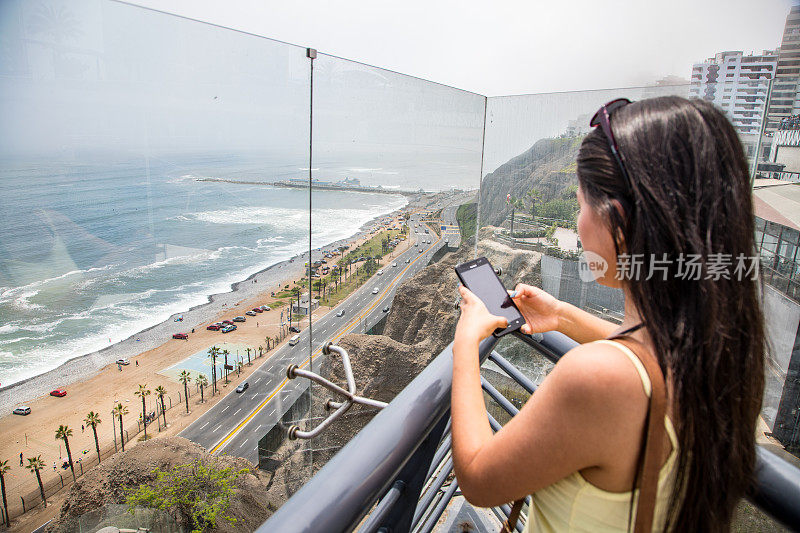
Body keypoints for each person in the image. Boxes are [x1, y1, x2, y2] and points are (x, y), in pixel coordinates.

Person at [451, 96, 765, 532]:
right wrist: (562, 316)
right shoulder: (718, 348)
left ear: (617, 223)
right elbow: (645, 362)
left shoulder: (597, 379)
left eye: (580, 205)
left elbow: (479, 479)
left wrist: (466, 342)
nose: (578, 223)